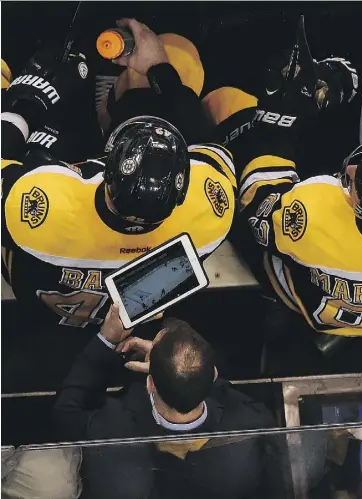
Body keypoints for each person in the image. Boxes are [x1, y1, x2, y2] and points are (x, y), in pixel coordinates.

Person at [1, 19, 236, 391]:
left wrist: (31, 99)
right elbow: (211, 148)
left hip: (41, 300)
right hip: (112, 319)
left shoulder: (47, 204)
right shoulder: (209, 217)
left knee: (39, 130)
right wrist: (162, 72)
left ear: (103, 166)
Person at [202, 37, 362, 374]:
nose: (354, 170)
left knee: (230, 106)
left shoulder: (314, 217)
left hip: (300, 288)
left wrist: (281, 120)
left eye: (360, 183)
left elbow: (257, 206)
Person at [52, 305, 292, 499]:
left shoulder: (110, 427)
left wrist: (108, 338)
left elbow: (65, 411)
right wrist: (172, 369)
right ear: (215, 374)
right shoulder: (252, 423)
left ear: (149, 384)